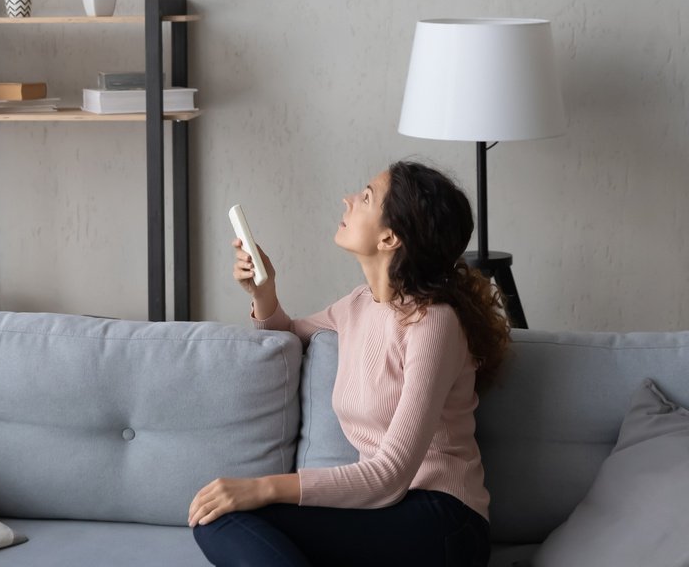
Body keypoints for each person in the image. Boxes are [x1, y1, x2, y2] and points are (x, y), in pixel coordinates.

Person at [189, 161, 510, 567]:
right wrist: (264, 291)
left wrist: (264, 488)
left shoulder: (434, 323)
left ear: (390, 237)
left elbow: (391, 474)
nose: (348, 199)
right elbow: (286, 333)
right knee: (216, 518)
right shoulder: (359, 304)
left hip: (443, 521)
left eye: (366, 196)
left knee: (233, 510)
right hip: (382, 514)